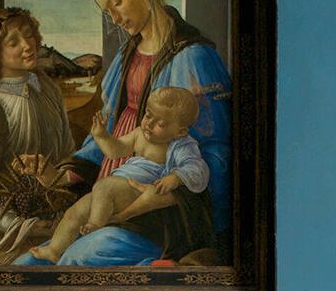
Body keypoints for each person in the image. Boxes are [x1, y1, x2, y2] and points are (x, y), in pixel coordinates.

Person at [16, 0, 232, 266]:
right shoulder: (126, 56)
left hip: (156, 218)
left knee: (72, 264)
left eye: (116, 2)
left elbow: (220, 154)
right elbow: (105, 135)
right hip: (108, 192)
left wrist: (165, 193)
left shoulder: (194, 57)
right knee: (28, 265)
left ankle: (163, 265)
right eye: (107, 11)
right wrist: (64, 177)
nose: (114, 18)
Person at [28, 86, 206, 262]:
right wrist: (102, 136)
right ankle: (53, 250)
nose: (149, 124)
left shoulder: (182, 145)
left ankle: (97, 226)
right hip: (117, 187)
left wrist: (175, 178)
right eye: (148, 115)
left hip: (139, 192)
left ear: (180, 131)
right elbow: (116, 150)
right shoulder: (139, 134)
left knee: (104, 186)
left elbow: (196, 167)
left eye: (160, 123)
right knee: (77, 210)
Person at [0, 7, 81, 264]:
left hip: (56, 217)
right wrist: (24, 226)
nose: (27, 45)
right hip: (6, 234)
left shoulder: (48, 89)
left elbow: (68, 156)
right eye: (13, 42)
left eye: (29, 35)